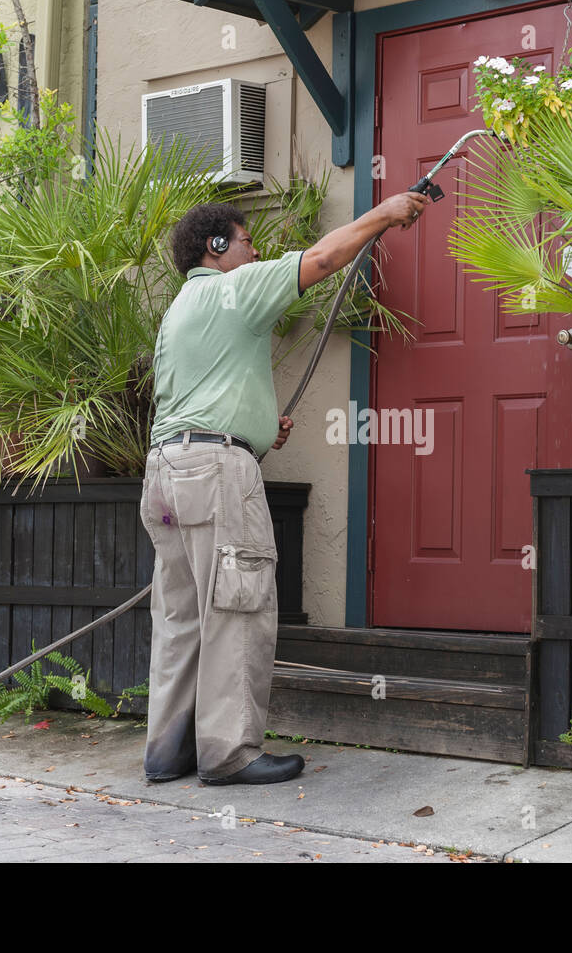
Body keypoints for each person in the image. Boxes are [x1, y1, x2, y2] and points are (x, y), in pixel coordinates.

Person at [139, 189, 432, 785]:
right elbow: (323, 260)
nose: (254, 254)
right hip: (214, 476)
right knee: (236, 610)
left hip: (167, 476)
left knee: (182, 617)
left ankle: (167, 753)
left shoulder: (180, 309)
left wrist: (254, 427)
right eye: (248, 243)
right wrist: (386, 213)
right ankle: (228, 755)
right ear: (217, 247)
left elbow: (196, 396)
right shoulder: (233, 288)